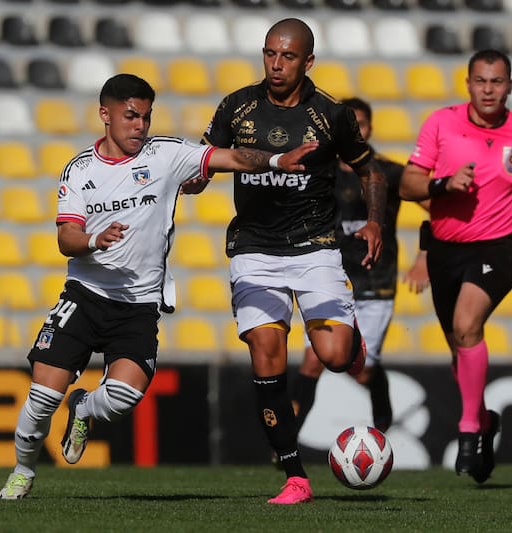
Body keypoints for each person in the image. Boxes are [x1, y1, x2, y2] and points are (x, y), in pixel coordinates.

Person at [0, 73, 317, 500]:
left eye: (146, 117)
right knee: (40, 398)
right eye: (131, 116)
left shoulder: (165, 155)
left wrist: (277, 161)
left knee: (123, 396)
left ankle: (84, 408)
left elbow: (233, 158)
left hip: (138, 304)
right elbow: (66, 240)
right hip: (85, 296)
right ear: (104, 115)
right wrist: (95, 239)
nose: (140, 126)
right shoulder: (80, 170)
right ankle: (22, 472)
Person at [201, 18, 388, 504]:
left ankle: (351, 346)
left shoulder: (332, 115)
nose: (275, 65)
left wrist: (374, 222)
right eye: (269, 54)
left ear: (308, 61)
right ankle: (294, 476)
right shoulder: (236, 106)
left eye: (286, 56)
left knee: (333, 356)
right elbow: (205, 159)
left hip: (315, 248)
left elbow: (371, 170)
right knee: (267, 356)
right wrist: (194, 177)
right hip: (254, 249)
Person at [399, 49, 512, 484]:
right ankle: (485, 421)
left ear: (510, 86)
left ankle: (469, 430)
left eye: (497, 81)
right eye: (480, 81)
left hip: (497, 248)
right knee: (459, 346)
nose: (488, 89)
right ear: (468, 83)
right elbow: (407, 184)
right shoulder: (441, 123)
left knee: (467, 325)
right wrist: (443, 183)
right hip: (444, 250)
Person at [290, 97, 430, 436]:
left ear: (369, 129)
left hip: (374, 285)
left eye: (361, 124)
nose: (354, 130)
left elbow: (437, 209)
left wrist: (424, 257)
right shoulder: (315, 171)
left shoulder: (389, 172)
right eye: (347, 124)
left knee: (361, 370)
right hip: (330, 282)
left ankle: (381, 410)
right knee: (313, 361)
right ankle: (288, 440)